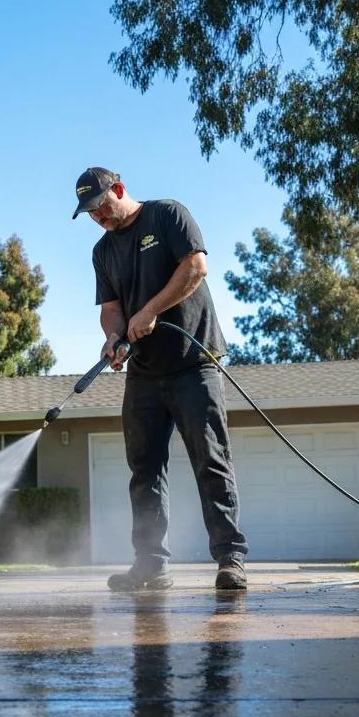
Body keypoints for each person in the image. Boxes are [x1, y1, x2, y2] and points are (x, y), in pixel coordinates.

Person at [72, 167, 248, 591]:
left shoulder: (168, 215)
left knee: (211, 459)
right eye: (91, 214)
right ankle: (150, 564)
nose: (99, 218)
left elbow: (195, 268)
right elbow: (110, 307)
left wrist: (150, 310)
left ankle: (230, 560)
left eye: (101, 207)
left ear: (118, 189)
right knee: (145, 469)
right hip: (144, 374)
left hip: (194, 361)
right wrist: (113, 336)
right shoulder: (102, 252)